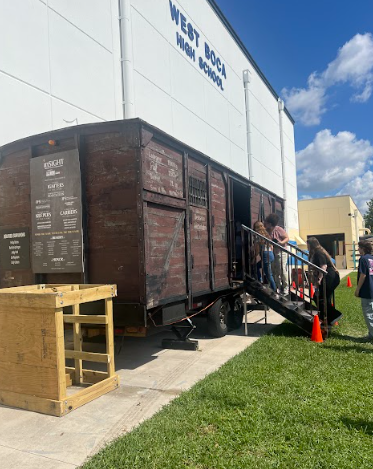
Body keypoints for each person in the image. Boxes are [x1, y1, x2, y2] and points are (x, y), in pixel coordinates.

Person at [307, 237, 340, 314]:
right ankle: (328, 316)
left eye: (308, 245)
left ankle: (331, 315)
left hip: (329, 277)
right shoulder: (317, 252)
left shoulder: (318, 252)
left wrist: (319, 279)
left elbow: (323, 266)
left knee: (319, 297)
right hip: (330, 276)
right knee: (325, 298)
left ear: (312, 245)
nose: (307, 247)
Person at [264, 214, 289, 295]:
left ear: (270, 223)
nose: (265, 223)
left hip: (282, 251)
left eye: (266, 222)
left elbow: (287, 238)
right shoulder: (267, 231)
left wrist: (280, 243)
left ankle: (285, 288)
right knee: (275, 271)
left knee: (282, 269)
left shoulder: (278, 229)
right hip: (273, 252)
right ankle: (278, 287)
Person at [354, 240, 373, 340]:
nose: (358, 249)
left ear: (363, 248)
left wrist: (357, 289)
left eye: (359, 247)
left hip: (367, 290)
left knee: (368, 313)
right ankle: (371, 334)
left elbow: (363, 275)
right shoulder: (372, 258)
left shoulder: (363, 259)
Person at [252, 221, 276, 291]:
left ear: (256, 228)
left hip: (266, 255)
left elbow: (257, 249)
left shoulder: (258, 236)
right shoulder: (266, 234)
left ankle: (274, 291)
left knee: (269, 274)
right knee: (257, 266)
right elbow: (271, 246)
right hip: (270, 254)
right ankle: (260, 282)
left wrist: (254, 257)